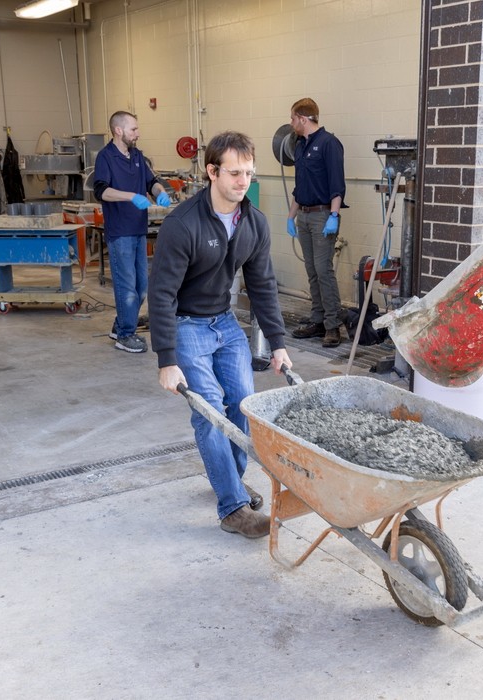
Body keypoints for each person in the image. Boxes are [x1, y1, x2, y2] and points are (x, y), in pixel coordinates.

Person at [148, 131, 292, 539]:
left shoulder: (254, 223)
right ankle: (232, 507)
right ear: (212, 172)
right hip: (186, 324)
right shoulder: (182, 224)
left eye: (248, 173)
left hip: (224, 323)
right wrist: (166, 359)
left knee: (243, 404)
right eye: (234, 173)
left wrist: (278, 343)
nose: (243, 181)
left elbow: (262, 285)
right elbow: (161, 293)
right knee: (209, 411)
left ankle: (230, 480)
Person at [94, 111, 173, 353]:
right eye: (133, 129)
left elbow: (151, 181)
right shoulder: (105, 157)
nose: (137, 133)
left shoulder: (137, 155)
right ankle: (125, 335)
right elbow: (101, 191)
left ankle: (121, 324)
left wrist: (159, 192)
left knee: (141, 287)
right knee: (127, 287)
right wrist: (131, 196)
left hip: (139, 229)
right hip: (120, 232)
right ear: (118, 131)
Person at [286, 98, 346, 348]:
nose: (291, 123)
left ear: (303, 118)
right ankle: (318, 320)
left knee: (323, 271)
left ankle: (333, 326)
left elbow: (337, 184)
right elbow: (299, 187)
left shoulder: (329, 143)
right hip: (304, 215)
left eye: (293, 118)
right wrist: (291, 216)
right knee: (312, 270)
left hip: (323, 215)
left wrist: (334, 216)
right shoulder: (300, 145)